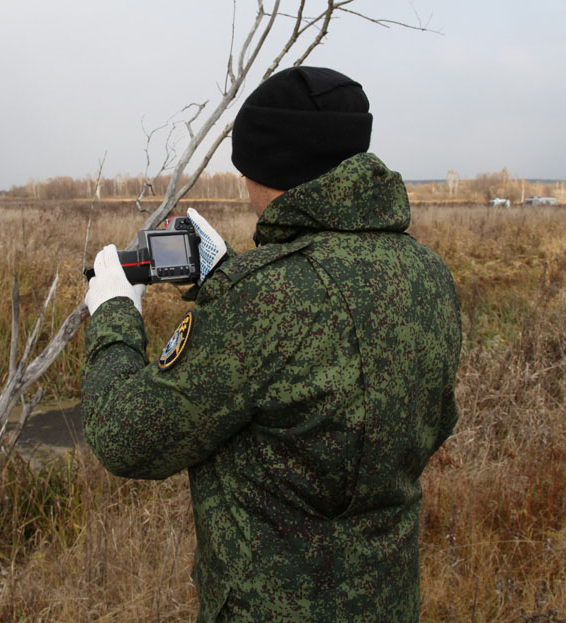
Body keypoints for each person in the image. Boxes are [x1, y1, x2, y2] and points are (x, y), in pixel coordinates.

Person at [81, 66, 461, 623]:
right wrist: (227, 280)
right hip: (387, 602)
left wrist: (113, 309)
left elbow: (125, 437)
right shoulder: (428, 274)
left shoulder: (267, 300)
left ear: (270, 167)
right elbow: (362, 383)